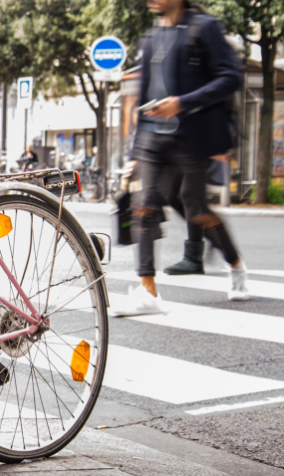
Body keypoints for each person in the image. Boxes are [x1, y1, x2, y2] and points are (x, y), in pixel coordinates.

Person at [112, 0, 247, 317]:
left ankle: (235, 263)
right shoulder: (149, 37)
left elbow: (229, 78)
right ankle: (148, 292)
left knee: (195, 208)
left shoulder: (203, 27)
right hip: (152, 137)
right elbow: (144, 98)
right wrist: (133, 154)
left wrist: (182, 103)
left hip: (190, 134)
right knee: (144, 208)